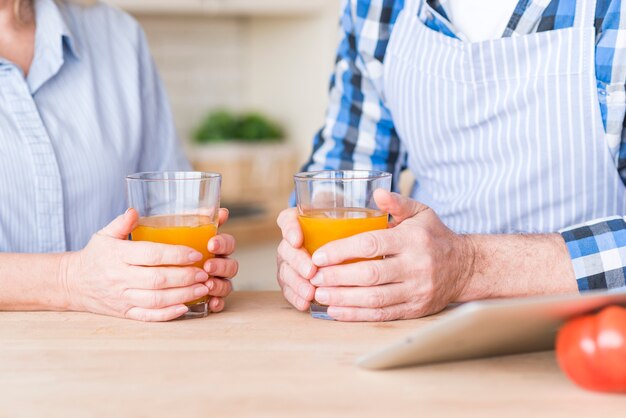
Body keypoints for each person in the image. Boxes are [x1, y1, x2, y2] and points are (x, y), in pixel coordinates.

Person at [276, 0, 626, 321]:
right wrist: (305, 253)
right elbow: (343, 184)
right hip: (416, 334)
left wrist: (468, 267)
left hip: (595, 331)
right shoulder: (376, 8)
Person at [0, 0, 238, 321]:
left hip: (119, 350)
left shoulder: (117, 34)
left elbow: (169, 204)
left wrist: (189, 275)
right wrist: (70, 280)